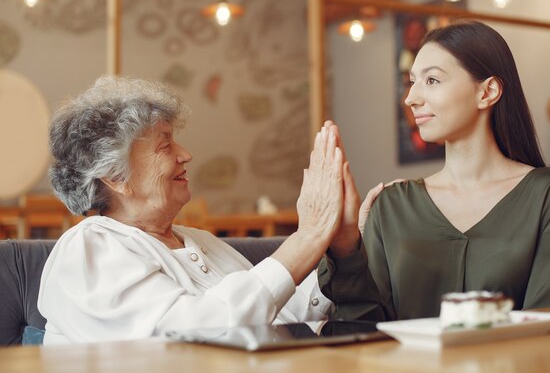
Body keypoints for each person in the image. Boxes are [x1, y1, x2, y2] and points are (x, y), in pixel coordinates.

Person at [318, 21, 550, 321]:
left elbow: (548, 327)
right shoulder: (391, 206)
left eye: (432, 80)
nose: (411, 98)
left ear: (487, 92)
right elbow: (363, 329)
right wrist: (346, 249)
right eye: (411, 82)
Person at [39, 76, 346, 344]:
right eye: (164, 145)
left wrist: (340, 237)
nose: (185, 154)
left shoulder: (201, 242)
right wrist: (306, 238)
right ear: (116, 177)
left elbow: (283, 316)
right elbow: (190, 338)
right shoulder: (88, 250)